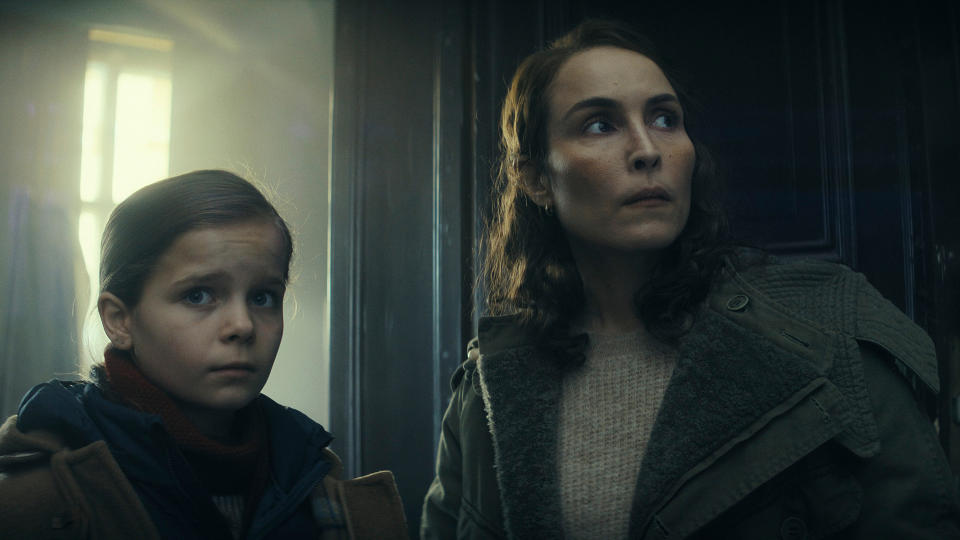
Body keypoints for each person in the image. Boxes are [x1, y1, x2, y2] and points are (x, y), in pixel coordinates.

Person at [421, 19, 960, 540]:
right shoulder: (487, 389)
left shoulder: (828, 328)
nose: (648, 150)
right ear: (536, 178)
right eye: (599, 124)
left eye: (664, 118)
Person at [0, 170, 407, 540]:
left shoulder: (320, 486)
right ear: (120, 320)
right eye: (198, 295)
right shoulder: (37, 494)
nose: (242, 325)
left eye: (263, 297)